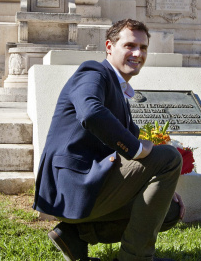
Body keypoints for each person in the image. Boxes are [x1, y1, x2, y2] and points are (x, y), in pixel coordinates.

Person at [32, 19, 185, 261]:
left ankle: (75, 234)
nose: (137, 53)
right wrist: (136, 148)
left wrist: (166, 188)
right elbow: (91, 112)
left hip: (90, 184)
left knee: (170, 210)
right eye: (130, 45)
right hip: (71, 185)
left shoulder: (119, 90)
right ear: (109, 47)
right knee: (169, 158)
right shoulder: (94, 72)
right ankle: (135, 258)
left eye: (143, 48)